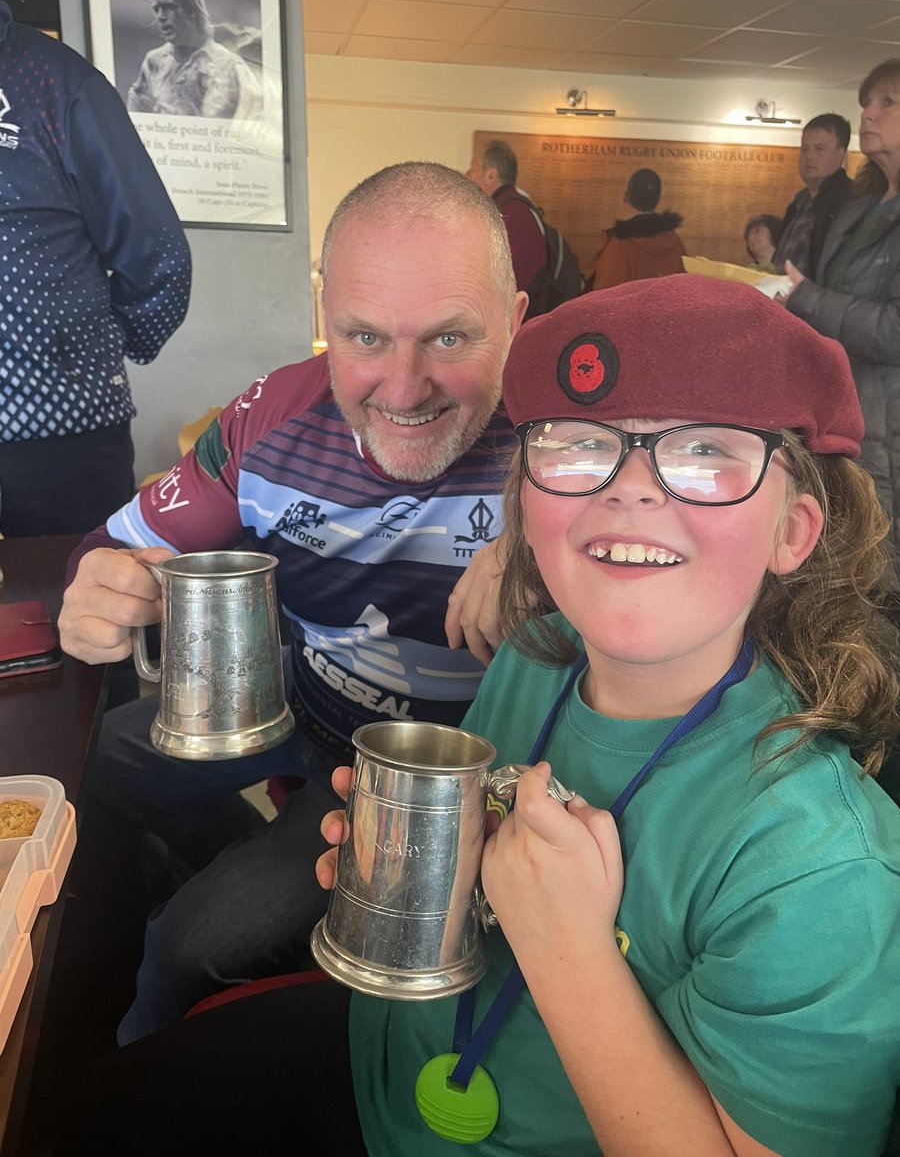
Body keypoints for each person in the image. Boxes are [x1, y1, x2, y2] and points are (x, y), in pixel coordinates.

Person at [49, 275, 900, 1157]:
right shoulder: (535, 657)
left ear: (795, 532)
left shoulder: (821, 874)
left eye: (704, 454)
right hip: (381, 1059)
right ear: (525, 502)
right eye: (576, 446)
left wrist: (564, 946)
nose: (630, 492)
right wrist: (440, 878)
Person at [58, 161, 528, 1044]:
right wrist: (99, 584)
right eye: (365, 337)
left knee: (180, 950)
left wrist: (544, 551)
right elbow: (116, 546)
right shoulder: (266, 418)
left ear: (518, 322)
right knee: (96, 761)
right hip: (297, 714)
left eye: (451, 339)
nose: (402, 386)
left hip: (439, 797)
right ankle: (253, 863)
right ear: (324, 319)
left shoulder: (576, 447)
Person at [0, 0, 191, 537]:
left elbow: (156, 252)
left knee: (78, 609)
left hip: (58, 432)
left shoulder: (57, 80)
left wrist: (102, 343)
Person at [779, 62, 900, 557]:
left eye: (886, 103)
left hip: (889, 429)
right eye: (866, 102)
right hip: (847, 417)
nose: (867, 113)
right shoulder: (861, 206)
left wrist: (806, 296)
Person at [127, 0, 262, 119]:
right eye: (157, 9)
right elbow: (136, 115)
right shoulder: (154, 61)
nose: (161, 16)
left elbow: (216, 122)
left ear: (191, 9)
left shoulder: (224, 63)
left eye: (169, 7)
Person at [466, 140, 549, 321]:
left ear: (491, 175)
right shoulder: (510, 206)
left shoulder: (512, 214)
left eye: (473, 168)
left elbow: (505, 276)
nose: (468, 174)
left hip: (517, 321)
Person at [772, 112, 853, 277]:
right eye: (804, 149)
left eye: (819, 149)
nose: (809, 157)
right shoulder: (798, 203)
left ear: (841, 154)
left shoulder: (850, 202)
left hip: (817, 300)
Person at [590, 167, 686, 289]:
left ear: (626, 196)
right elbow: (682, 289)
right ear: (658, 199)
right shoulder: (674, 241)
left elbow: (606, 294)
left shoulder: (620, 243)